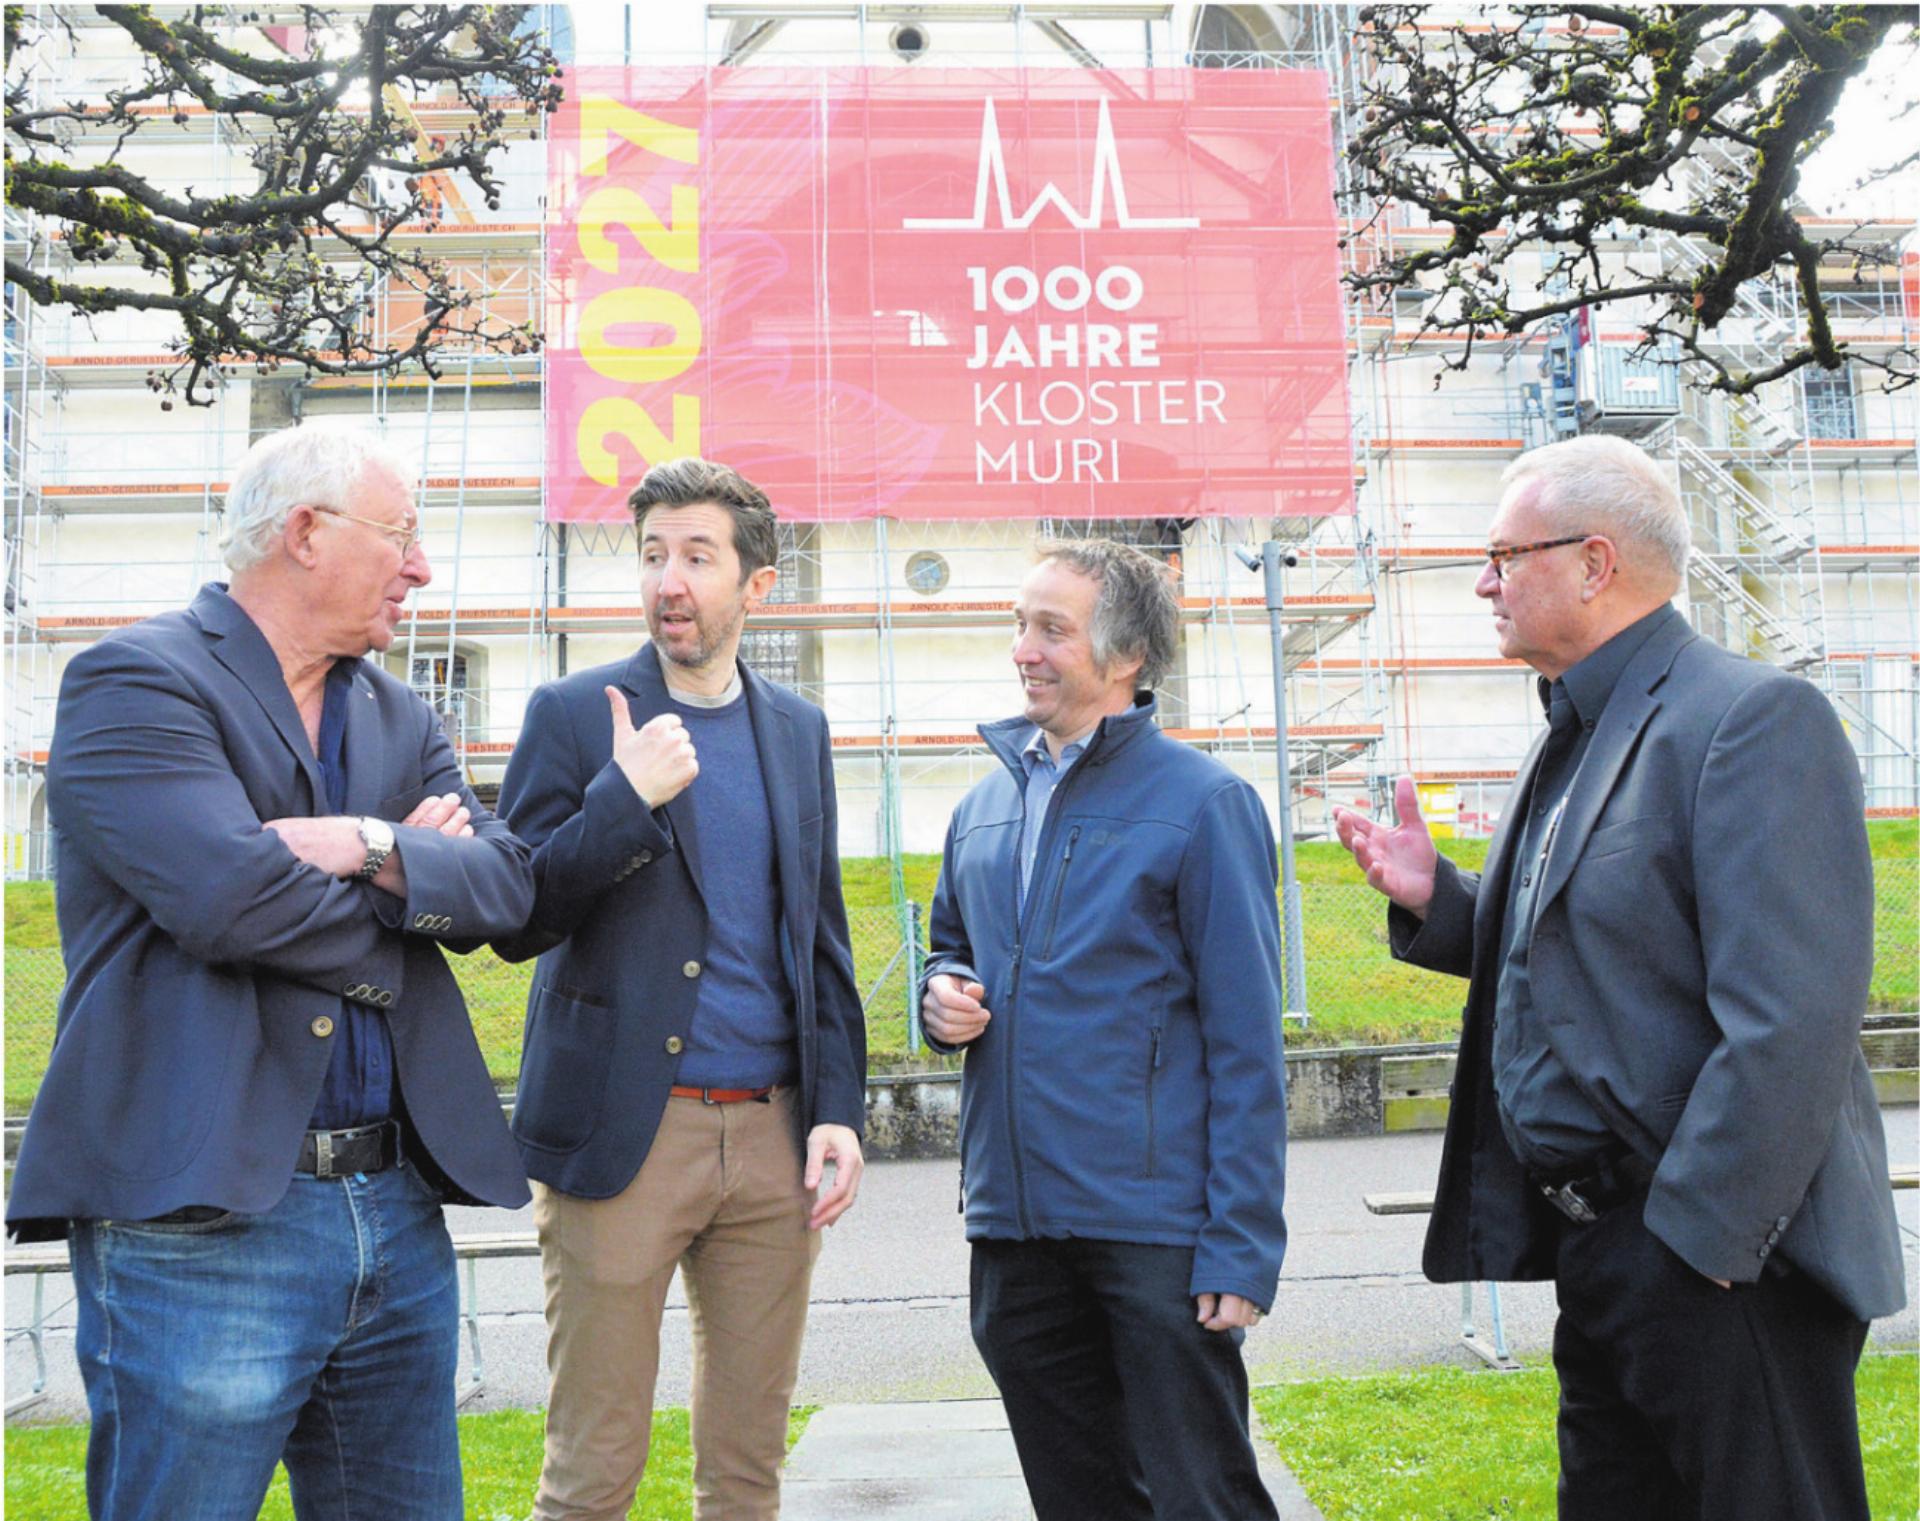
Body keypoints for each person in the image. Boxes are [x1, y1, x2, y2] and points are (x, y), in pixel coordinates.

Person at [1333, 434, 1905, 1521]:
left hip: (1722, 1258)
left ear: (1595, 564)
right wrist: (1439, 905)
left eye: (1504, 554)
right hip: (1604, 1253)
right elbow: (1589, 949)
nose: (1482, 580)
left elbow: (1793, 1020)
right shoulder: (1576, 729)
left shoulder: (1749, 718)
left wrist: (1701, 1245)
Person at [6, 426, 535, 1520]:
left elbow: (504, 890)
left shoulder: (400, 709)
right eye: (400, 535)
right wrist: (410, 888)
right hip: (199, 1226)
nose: (421, 567)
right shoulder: (135, 682)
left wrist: (366, 843)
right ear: (304, 533)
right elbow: (227, 903)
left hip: (394, 1210)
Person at [494, 457, 867, 1521]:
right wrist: (623, 799)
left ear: (759, 585)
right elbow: (517, 918)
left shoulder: (796, 731)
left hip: (770, 1143)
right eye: (654, 554)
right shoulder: (574, 713)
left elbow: (821, 939)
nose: (669, 579)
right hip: (623, 1137)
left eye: (698, 556)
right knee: (591, 1475)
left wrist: (837, 1108)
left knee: (747, 1474)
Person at [919, 537, 1288, 1521]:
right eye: (1019, 625)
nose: (1023, 650)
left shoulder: (1205, 806)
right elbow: (947, 950)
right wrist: (941, 998)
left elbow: (1250, 1042)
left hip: (1156, 1230)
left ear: (1125, 658)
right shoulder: (981, 807)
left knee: (1202, 1497)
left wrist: (1243, 1244)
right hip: (1013, 1227)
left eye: (1052, 629)